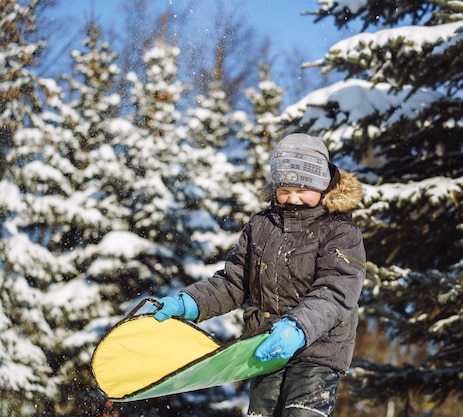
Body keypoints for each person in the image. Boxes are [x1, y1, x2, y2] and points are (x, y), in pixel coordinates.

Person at [151, 133, 366, 417]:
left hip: (318, 351)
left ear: (322, 184)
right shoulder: (261, 226)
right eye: (284, 189)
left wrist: (298, 327)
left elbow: (336, 291)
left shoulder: (340, 231)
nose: (293, 198)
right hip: (266, 346)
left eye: (303, 189)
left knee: (300, 413)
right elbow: (234, 281)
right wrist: (189, 302)